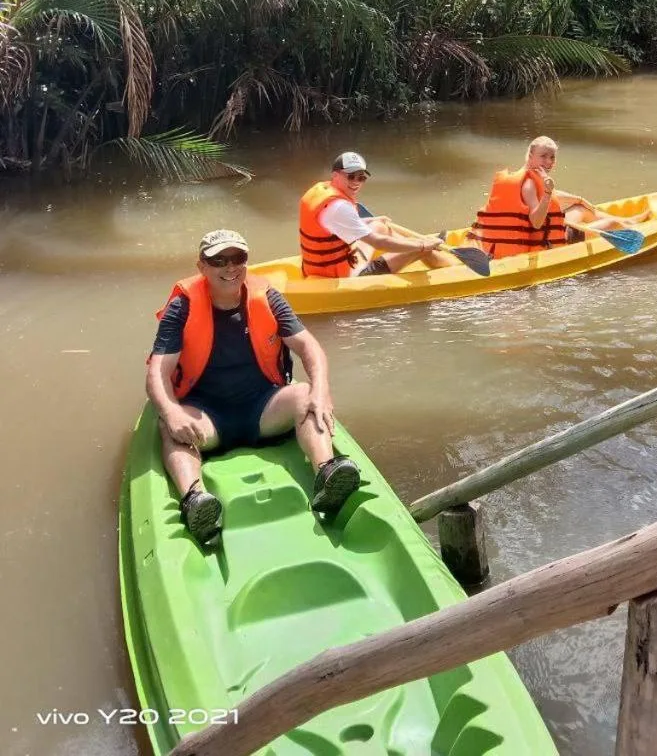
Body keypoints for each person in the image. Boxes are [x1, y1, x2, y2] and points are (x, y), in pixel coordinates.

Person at [146, 229, 361, 548]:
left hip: (263, 409)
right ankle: (195, 498)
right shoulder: (183, 305)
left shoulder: (267, 296)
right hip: (207, 417)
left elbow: (308, 347)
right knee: (168, 422)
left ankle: (327, 472)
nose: (230, 267)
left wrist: (321, 391)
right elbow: (157, 372)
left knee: (304, 393)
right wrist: (171, 411)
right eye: (218, 260)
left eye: (237, 258)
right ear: (201, 266)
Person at [471, 136, 642, 257]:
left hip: (498, 243)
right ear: (531, 156)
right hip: (547, 243)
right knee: (613, 224)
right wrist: (547, 194)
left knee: (579, 208)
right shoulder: (529, 184)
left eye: (552, 157)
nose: (549, 161)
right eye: (543, 156)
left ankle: (630, 221)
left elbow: (551, 198)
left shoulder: (523, 175)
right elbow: (536, 223)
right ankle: (630, 224)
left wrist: (577, 198)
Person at [299, 152, 458, 278]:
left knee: (379, 226)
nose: (356, 182)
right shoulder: (339, 207)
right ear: (335, 175)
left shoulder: (323, 192)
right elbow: (378, 243)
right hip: (345, 277)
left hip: (322, 267)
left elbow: (337, 224)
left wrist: (371, 220)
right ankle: (454, 270)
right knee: (421, 249)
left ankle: (431, 247)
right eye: (351, 176)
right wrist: (421, 245)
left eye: (361, 177)